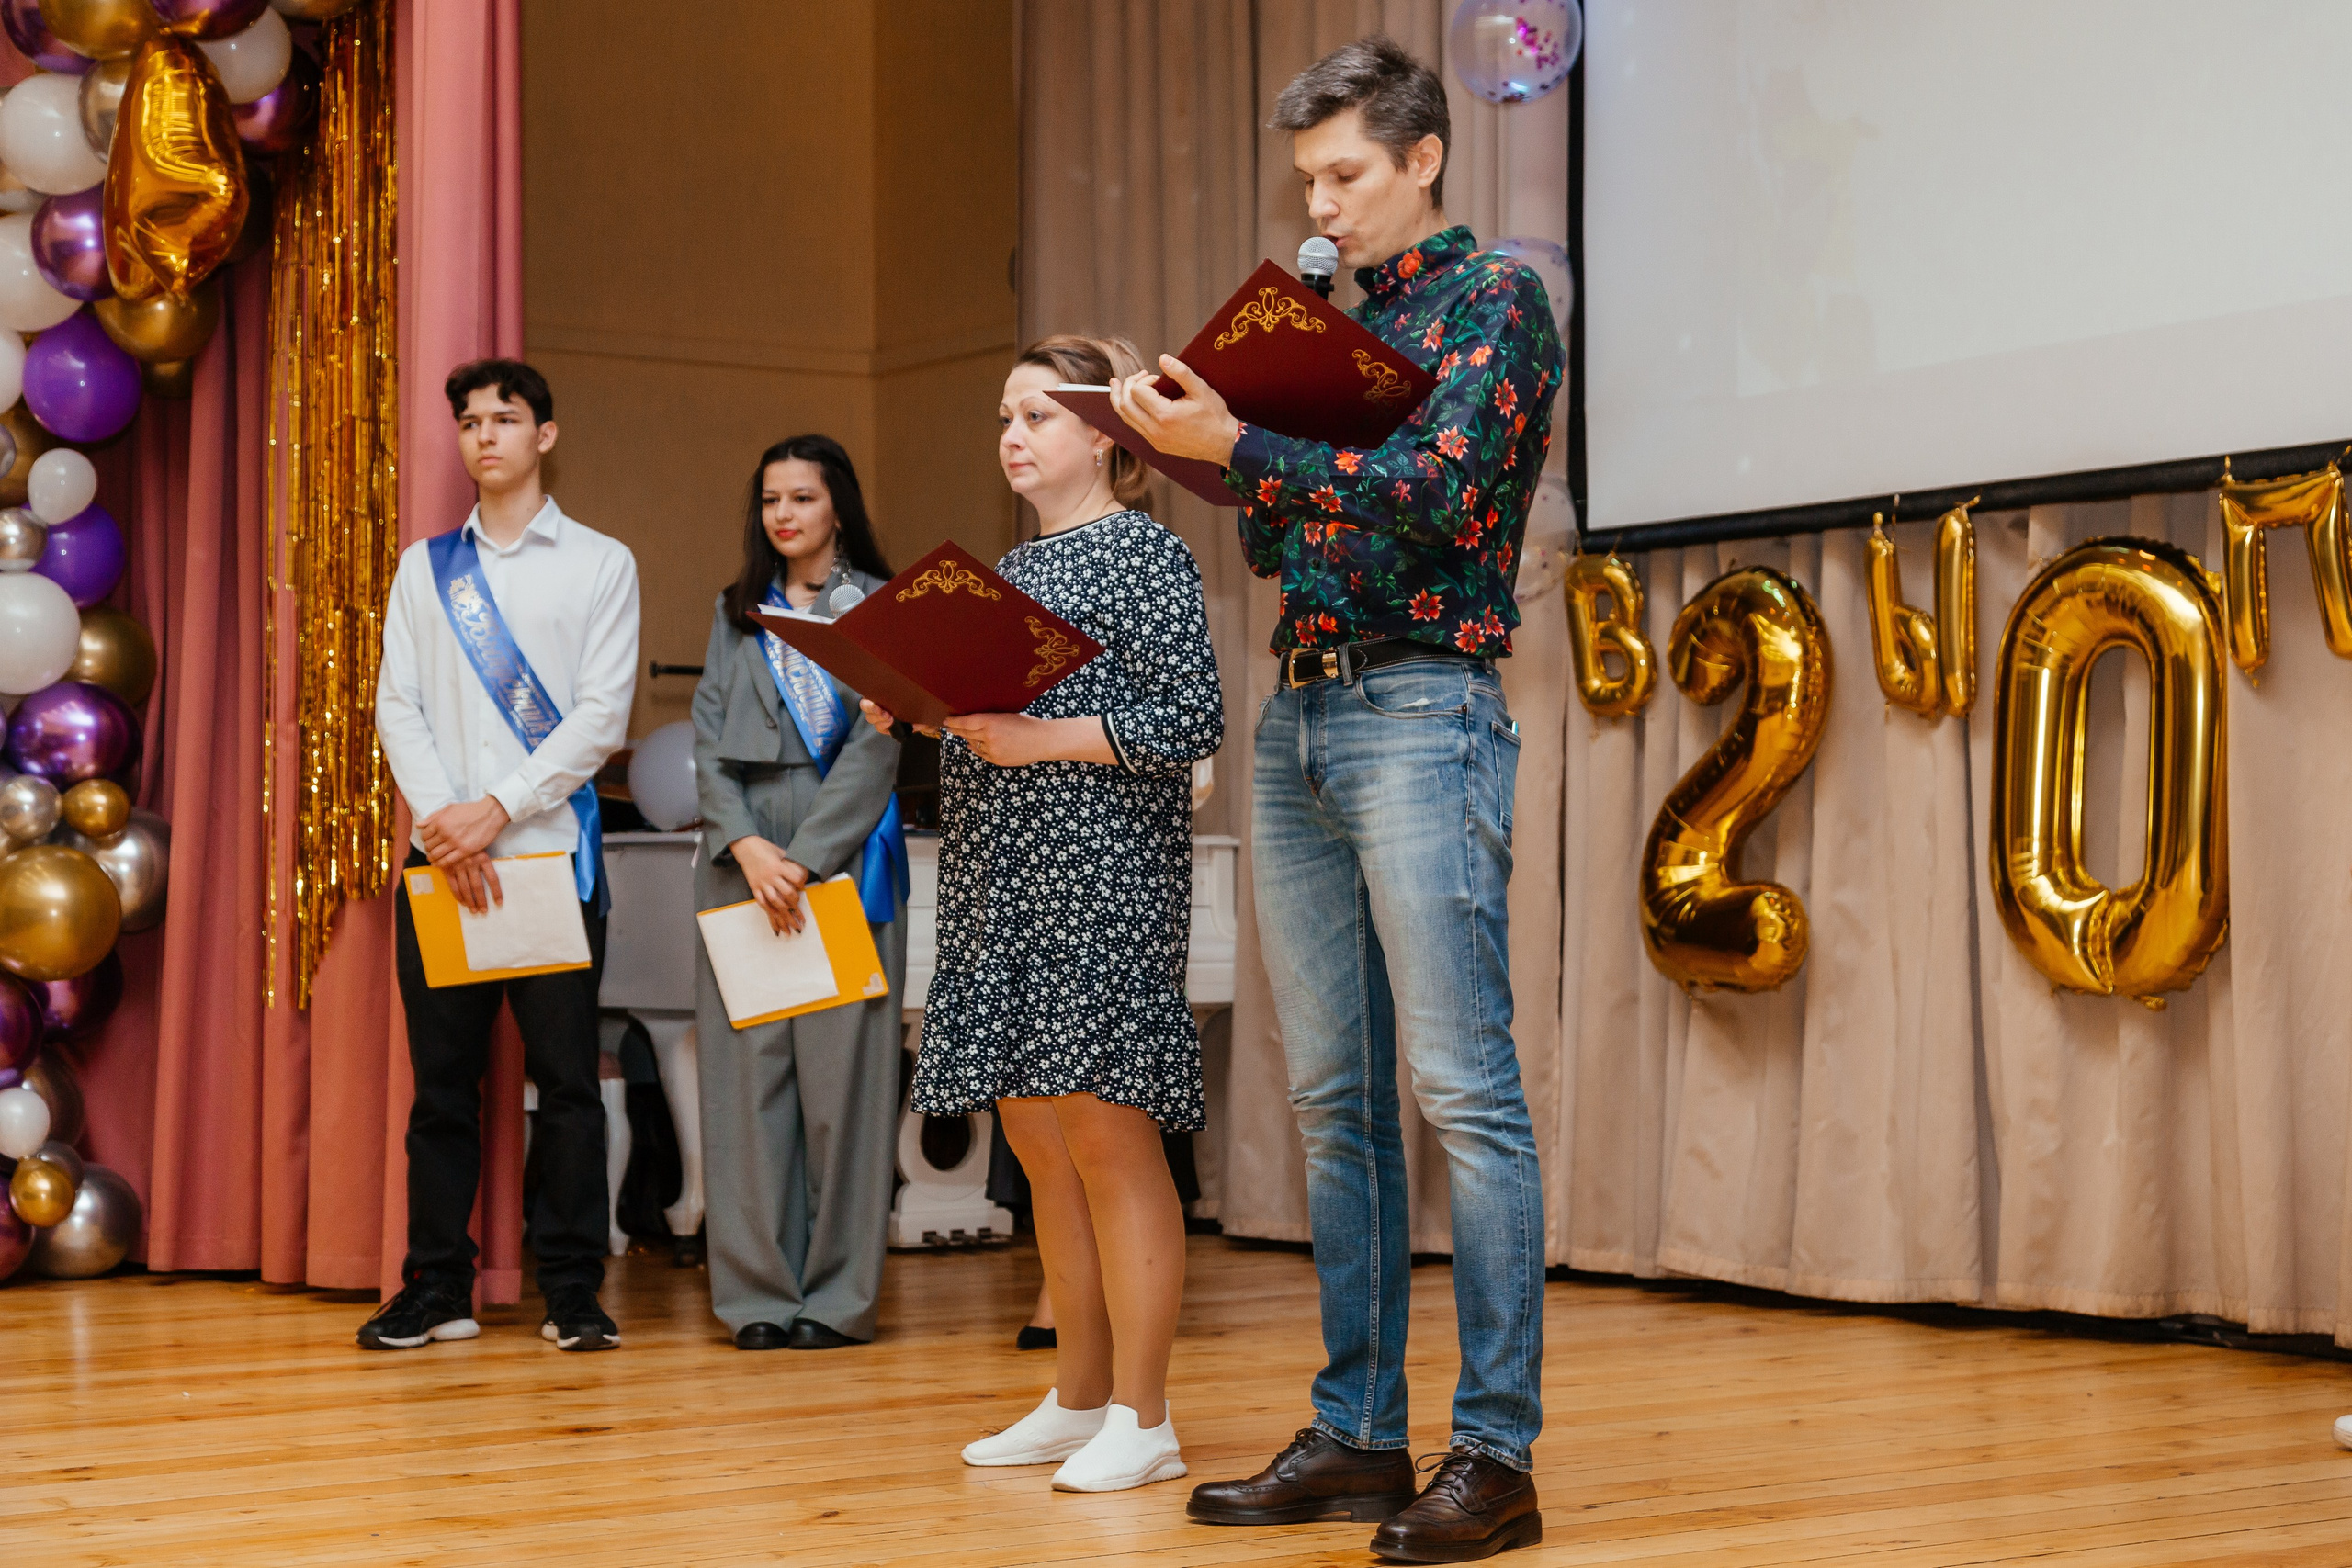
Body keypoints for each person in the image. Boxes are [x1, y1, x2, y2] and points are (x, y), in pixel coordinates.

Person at [1112, 37, 1564, 1562]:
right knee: (1333, 1103)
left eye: (1346, 175)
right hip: (1300, 711)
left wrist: (1245, 444)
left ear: (1424, 158)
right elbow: (1291, 543)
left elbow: (1441, 496)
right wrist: (1213, 458)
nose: (1324, 205)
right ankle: (1363, 1430)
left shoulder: (1495, 301)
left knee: (1464, 1092)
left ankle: (1494, 1452)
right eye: (1309, 180)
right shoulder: (1331, 334)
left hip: (1424, 708)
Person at [859, 334, 1223, 1494]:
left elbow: (1190, 719)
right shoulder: (1000, 578)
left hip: (1103, 877)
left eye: (1037, 415)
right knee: (1036, 1141)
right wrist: (913, 707)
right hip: (999, 877)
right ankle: (1076, 1399)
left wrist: (1038, 738)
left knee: (1108, 1136)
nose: (1012, 435)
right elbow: (990, 719)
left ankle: (1146, 1416)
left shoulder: (1144, 555)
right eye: (1003, 418)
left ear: (1108, 435)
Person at [365, 358, 641, 1354]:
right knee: (443, 1088)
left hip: (546, 857)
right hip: (441, 862)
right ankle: (436, 1286)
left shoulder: (601, 564)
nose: (485, 436)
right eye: (470, 421)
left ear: (545, 436)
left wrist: (498, 810)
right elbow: (397, 703)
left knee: (567, 1087)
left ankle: (573, 1291)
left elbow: (603, 715)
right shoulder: (421, 568)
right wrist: (446, 823)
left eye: (506, 418)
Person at [690, 434, 907, 1351]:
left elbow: (879, 747)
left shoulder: (881, 610)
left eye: (803, 498)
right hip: (742, 868)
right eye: (771, 498)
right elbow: (704, 739)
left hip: (841, 865)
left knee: (842, 1094)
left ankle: (837, 1300)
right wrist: (748, 845)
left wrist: (807, 860)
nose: (785, 514)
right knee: (747, 1096)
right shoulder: (737, 613)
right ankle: (755, 1301)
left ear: (837, 507)